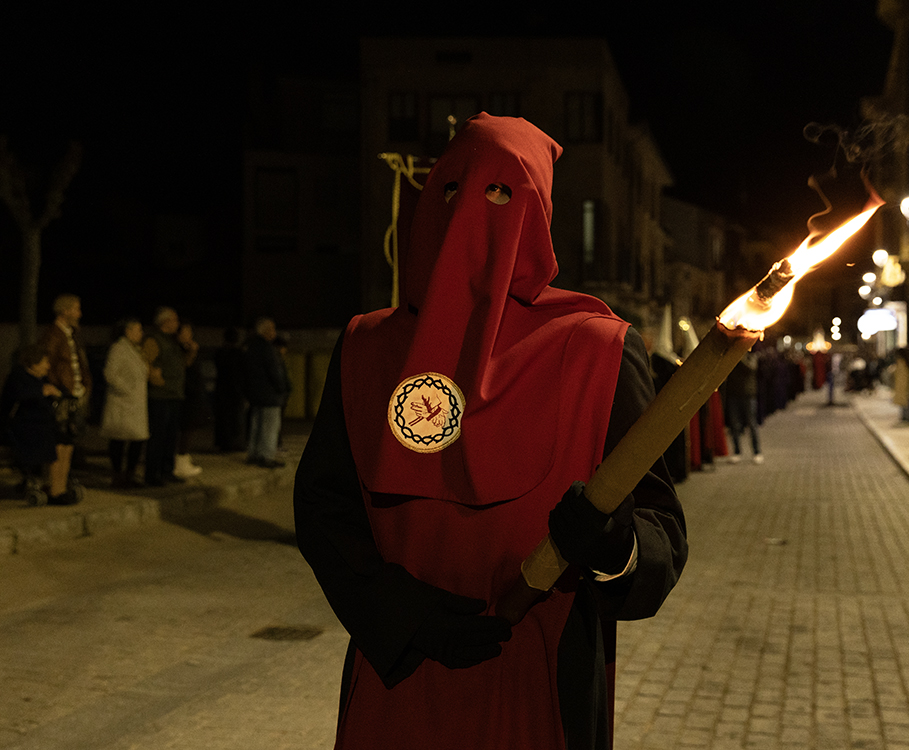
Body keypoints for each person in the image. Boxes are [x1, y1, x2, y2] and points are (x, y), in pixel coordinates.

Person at [294, 114, 687, 750]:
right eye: (454, 188)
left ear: (537, 215)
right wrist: (401, 615)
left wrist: (616, 547)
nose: (473, 212)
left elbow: (661, 532)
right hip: (400, 683)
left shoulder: (600, 350)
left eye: (504, 192)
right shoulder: (368, 347)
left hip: (539, 683)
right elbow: (323, 507)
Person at [37, 293, 92, 503]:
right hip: (62, 396)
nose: (79, 313)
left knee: (68, 443)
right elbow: (46, 363)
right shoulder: (53, 335)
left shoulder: (72, 334)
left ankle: (60, 487)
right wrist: (55, 387)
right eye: (76, 308)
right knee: (59, 443)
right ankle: (55, 488)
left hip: (74, 395)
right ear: (65, 311)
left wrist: (85, 386)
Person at [1, 345, 62, 500]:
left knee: (64, 440)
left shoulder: (41, 378)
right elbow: (15, 397)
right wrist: (42, 392)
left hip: (41, 423)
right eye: (44, 362)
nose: (48, 366)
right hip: (23, 425)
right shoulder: (18, 377)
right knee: (47, 440)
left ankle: (56, 486)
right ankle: (50, 487)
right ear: (34, 363)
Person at [142, 307, 192, 486]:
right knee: (158, 437)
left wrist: (189, 348)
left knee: (171, 437)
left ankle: (167, 470)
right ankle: (152, 474)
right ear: (165, 322)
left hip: (174, 395)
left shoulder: (173, 341)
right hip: (160, 396)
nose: (177, 324)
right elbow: (145, 362)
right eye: (175, 320)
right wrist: (156, 380)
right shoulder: (154, 340)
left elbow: (182, 364)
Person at [100, 318, 150, 488]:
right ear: (127, 331)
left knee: (137, 439)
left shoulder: (135, 350)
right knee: (119, 440)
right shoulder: (119, 349)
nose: (141, 334)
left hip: (135, 403)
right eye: (138, 330)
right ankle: (118, 475)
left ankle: (130, 474)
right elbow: (110, 374)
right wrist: (127, 389)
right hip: (123, 402)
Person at [244, 317, 290, 468]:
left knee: (256, 425)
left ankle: (254, 454)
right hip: (269, 394)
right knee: (270, 426)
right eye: (272, 329)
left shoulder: (251, 346)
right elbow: (274, 372)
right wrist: (282, 388)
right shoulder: (267, 348)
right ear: (265, 331)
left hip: (255, 394)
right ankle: (266, 456)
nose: (274, 333)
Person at [174, 319, 210, 478]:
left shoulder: (189, 348)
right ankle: (179, 461)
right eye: (185, 332)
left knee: (192, 427)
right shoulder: (178, 349)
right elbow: (183, 367)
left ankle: (184, 458)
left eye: (190, 332)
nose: (189, 336)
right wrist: (192, 352)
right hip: (185, 394)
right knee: (186, 428)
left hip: (194, 393)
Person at [725, 348, 763, 463]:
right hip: (733, 395)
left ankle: (757, 452)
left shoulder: (751, 356)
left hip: (748, 395)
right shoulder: (732, 357)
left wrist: (739, 356)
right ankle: (737, 452)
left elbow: (751, 368)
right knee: (735, 425)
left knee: (752, 424)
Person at [213, 326, 246, 452]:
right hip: (234, 390)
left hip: (222, 389)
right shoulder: (238, 353)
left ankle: (224, 444)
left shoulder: (220, 352)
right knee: (234, 419)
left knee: (223, 419)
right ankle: (233, 443)